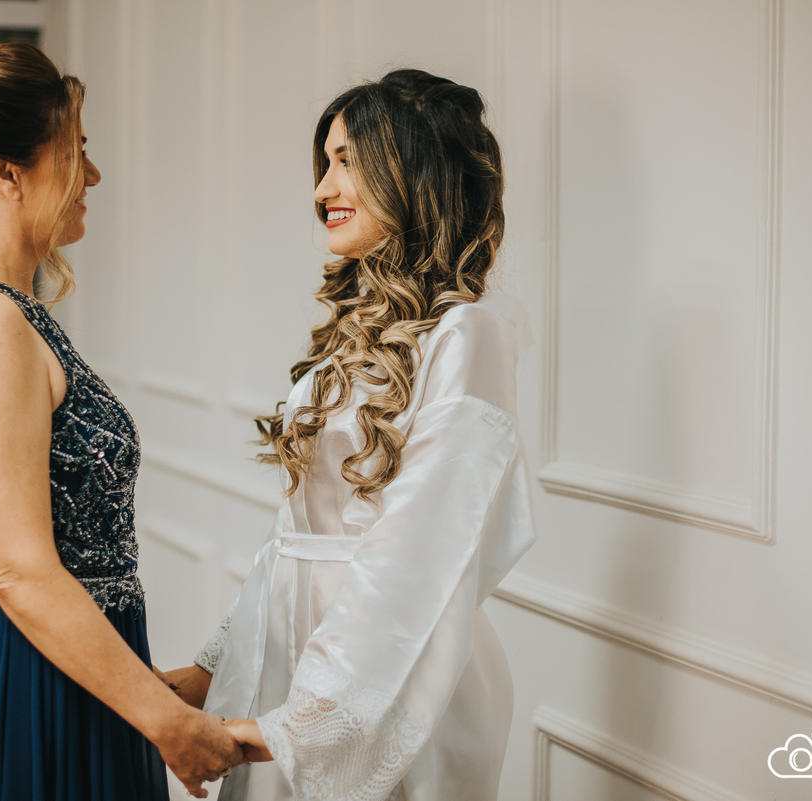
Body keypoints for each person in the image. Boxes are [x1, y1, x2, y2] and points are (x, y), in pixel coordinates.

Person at [0, 39, 243, 800]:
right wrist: (165, 721)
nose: (92, 175)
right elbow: (16, 566)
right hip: (13, 680)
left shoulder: (9, 311)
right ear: (6, 172)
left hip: (53, 667)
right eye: (76, 152)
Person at [163, 69, 537, 801]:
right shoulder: (356, 328)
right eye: (324, 163)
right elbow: (294, 535)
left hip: (390, 675)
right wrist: (215, 663)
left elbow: (421, 547)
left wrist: (310, 721)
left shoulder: (467, 333)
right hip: (287, 661)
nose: (321, 189)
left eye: (347, 162)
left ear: (413, 172)